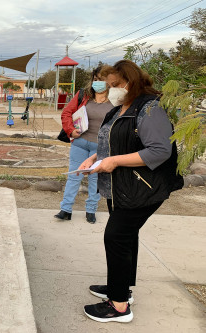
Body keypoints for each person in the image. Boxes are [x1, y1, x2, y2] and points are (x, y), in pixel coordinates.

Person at [80, 60, 183, 323]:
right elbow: (109, 143)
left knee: (116, 237)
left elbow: (160, 150)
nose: (110, 90)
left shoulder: (150, 108)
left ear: (131, 82)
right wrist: (94, 159)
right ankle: (120, 289)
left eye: (115, 85)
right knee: (124, 239)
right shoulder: (118, 109)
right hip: (122, 187)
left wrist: (114, 162)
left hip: (142, 188)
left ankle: (119, 307)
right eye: (109, 85)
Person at [54, 66, 113, 223]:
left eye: (101, 79)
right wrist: (71, 130)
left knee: (95, 180)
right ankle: (66, 209)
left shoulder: (116, 100)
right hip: (80, 143)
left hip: (100, 147)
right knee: (74, 176)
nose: (97, 82)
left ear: (110, 81)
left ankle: (91, 210)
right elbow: (67, 112)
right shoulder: (84, 95)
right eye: (95, 79)